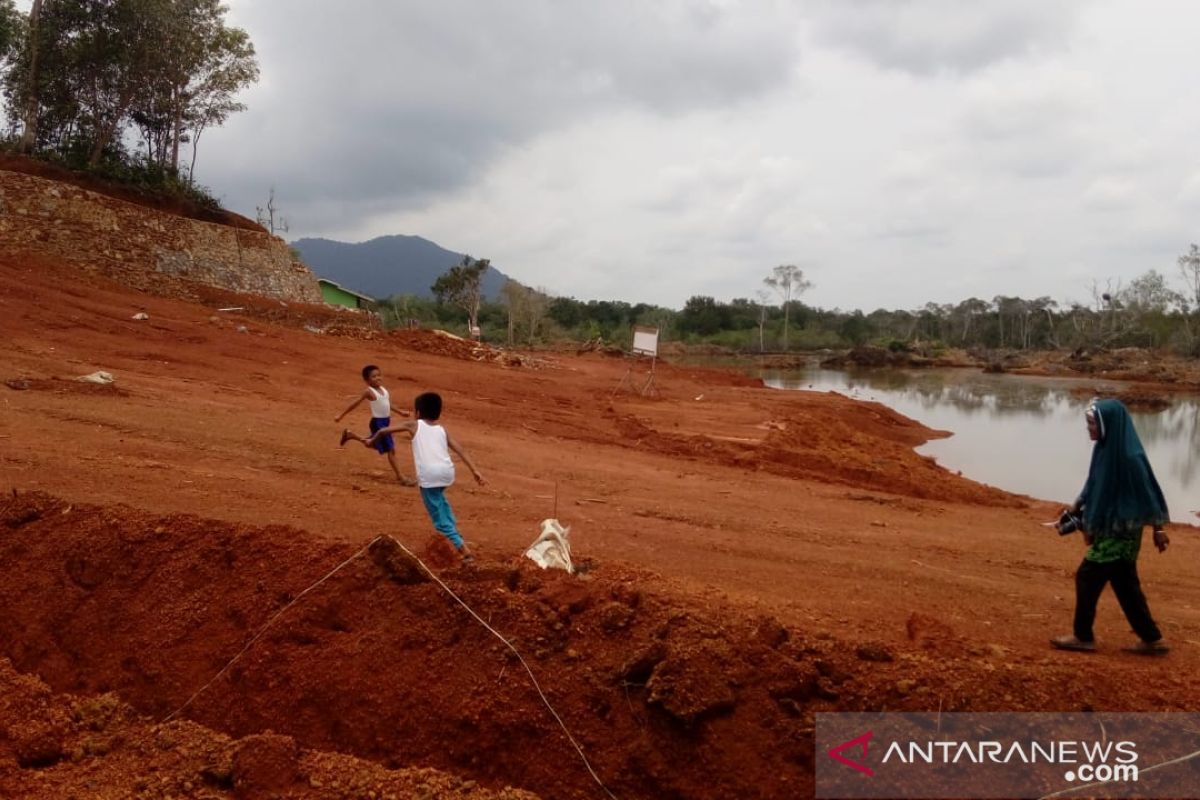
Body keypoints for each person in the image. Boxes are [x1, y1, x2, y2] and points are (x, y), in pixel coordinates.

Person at [1051, 399, 1171, 656]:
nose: (1089, 429)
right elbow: (1094, 482)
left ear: (1109, 424)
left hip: (1122, 533)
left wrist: (1158, 529)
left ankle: (1083, 636)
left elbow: (1149, 493)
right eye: (1088, 423)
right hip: (1110, 528)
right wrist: (1075, 507)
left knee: (1087, 575)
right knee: (1125, 583)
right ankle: (1152, 639)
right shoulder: (1105, 449)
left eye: (1092, 423)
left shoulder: (1130, 458)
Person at [367, 391, 486, 564]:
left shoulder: (414, 425)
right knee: (441, 500)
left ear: (418, 413)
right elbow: (460, 450)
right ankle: (453, 530)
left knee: (438, 518)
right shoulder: (441, 430)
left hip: (429, 475)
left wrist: (372, 440)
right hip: (447, 473)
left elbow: (384, 430)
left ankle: (464, 551)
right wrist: (475, 471)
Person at [336, 365, 415, 486]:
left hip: (385, 422)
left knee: (373, 444)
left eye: (379, 375)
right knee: (391, 449)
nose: (378, 378)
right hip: (378, 424)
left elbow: (387, 404)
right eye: (374, 376)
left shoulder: (383, 389)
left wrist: (400, 412)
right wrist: (341, 415)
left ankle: (350, 435)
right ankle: (401, 477)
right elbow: (355, 403)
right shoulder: (369, 391)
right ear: (367, 380)